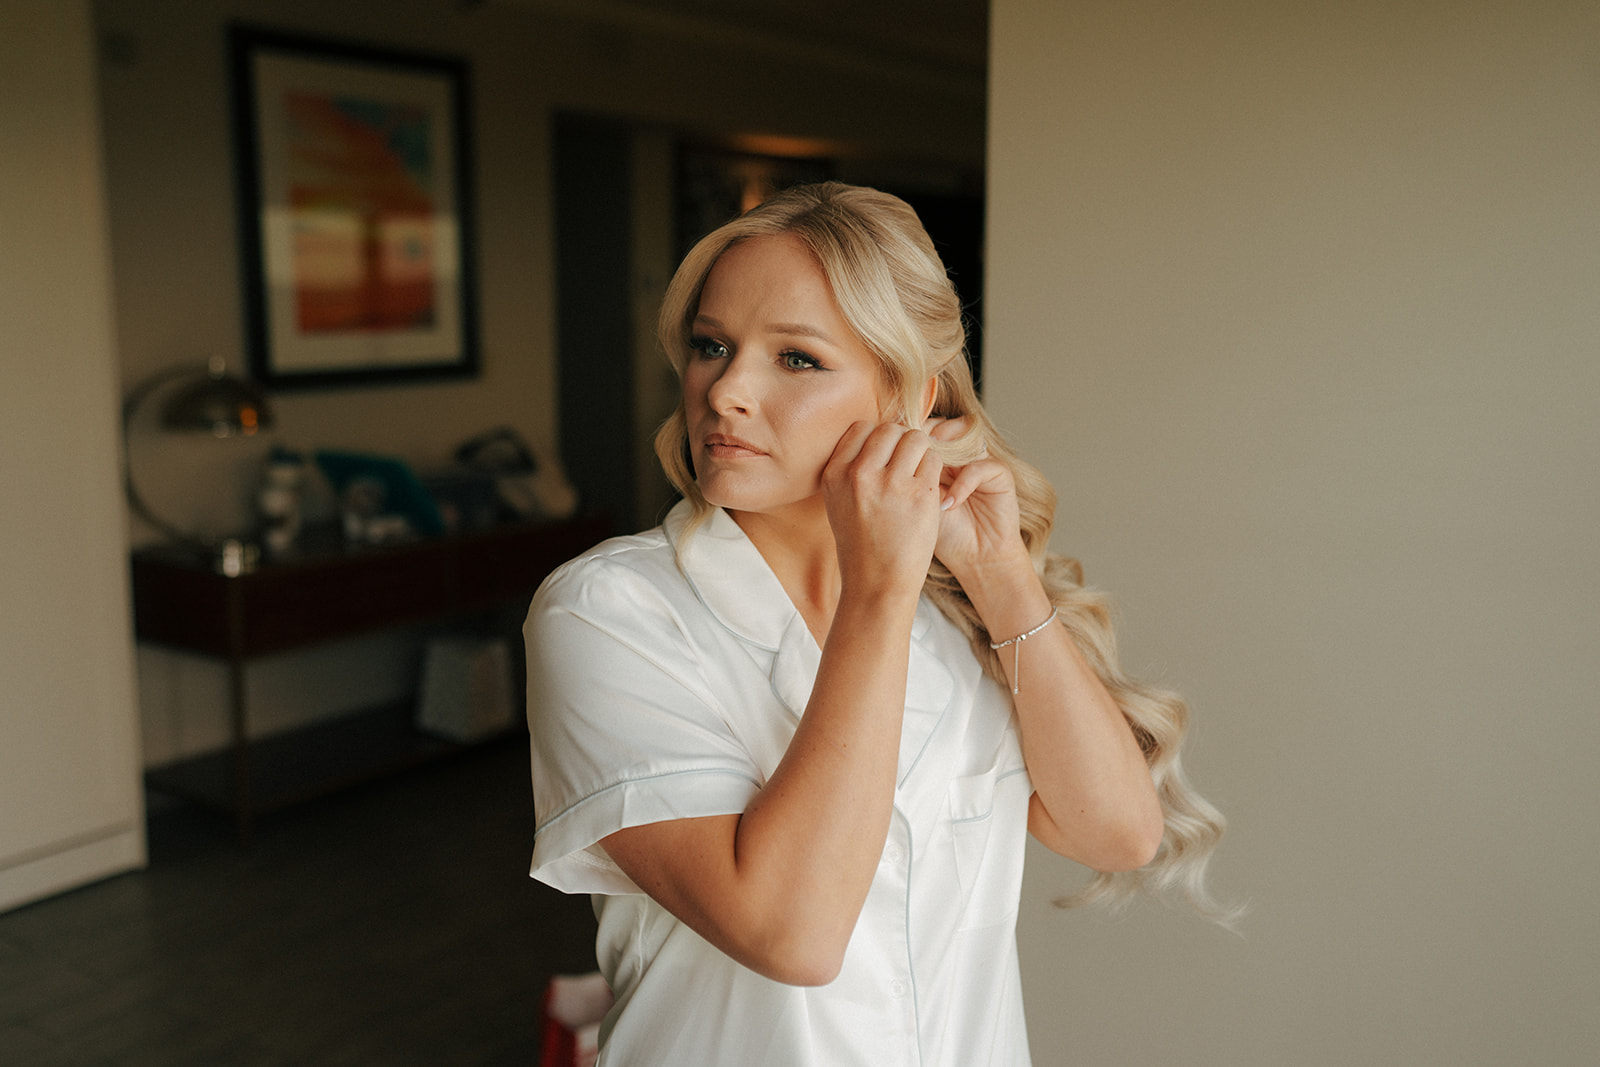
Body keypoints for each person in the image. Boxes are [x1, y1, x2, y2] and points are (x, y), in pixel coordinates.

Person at [524, 182, 1229, 1066]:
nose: (728, 391)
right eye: (713, 346)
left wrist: (1003, 576)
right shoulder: (610, 612)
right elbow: (794, 934)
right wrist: (877, 595)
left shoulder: (957, 609)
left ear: (908, 396)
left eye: (796, 359)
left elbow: (1118, 832)